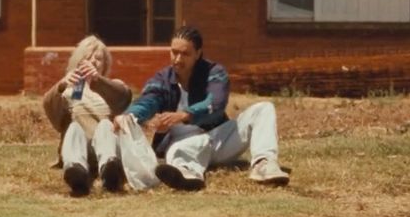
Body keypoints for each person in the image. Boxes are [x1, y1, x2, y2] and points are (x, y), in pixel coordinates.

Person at [121, 25, 289, 191]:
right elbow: (148, 100)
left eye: (185, 54)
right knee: (181, 150)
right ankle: (188, 176)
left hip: (219, 139)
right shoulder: (162, 79)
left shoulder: (214, 72)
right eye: (174, 52)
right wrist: (130, 116)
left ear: (198, 54)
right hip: (184, 144)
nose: (177, 59)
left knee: (264, 108)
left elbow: (215, 102)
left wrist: (184, 115)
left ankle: (264, 164)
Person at [41, 35, 133, 195]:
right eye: (87, 57)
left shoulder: (112, 86)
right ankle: (76, 173)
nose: (93, 61)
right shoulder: (70, 90)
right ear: (78, 61)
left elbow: (123, 98)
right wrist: (62, 85)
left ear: (105, 64)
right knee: (74, 127)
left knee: (106, 126)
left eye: (98, 58)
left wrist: (98, 81)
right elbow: (49, 107)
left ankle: (110, 171)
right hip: (79, 147)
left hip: (106, 147)